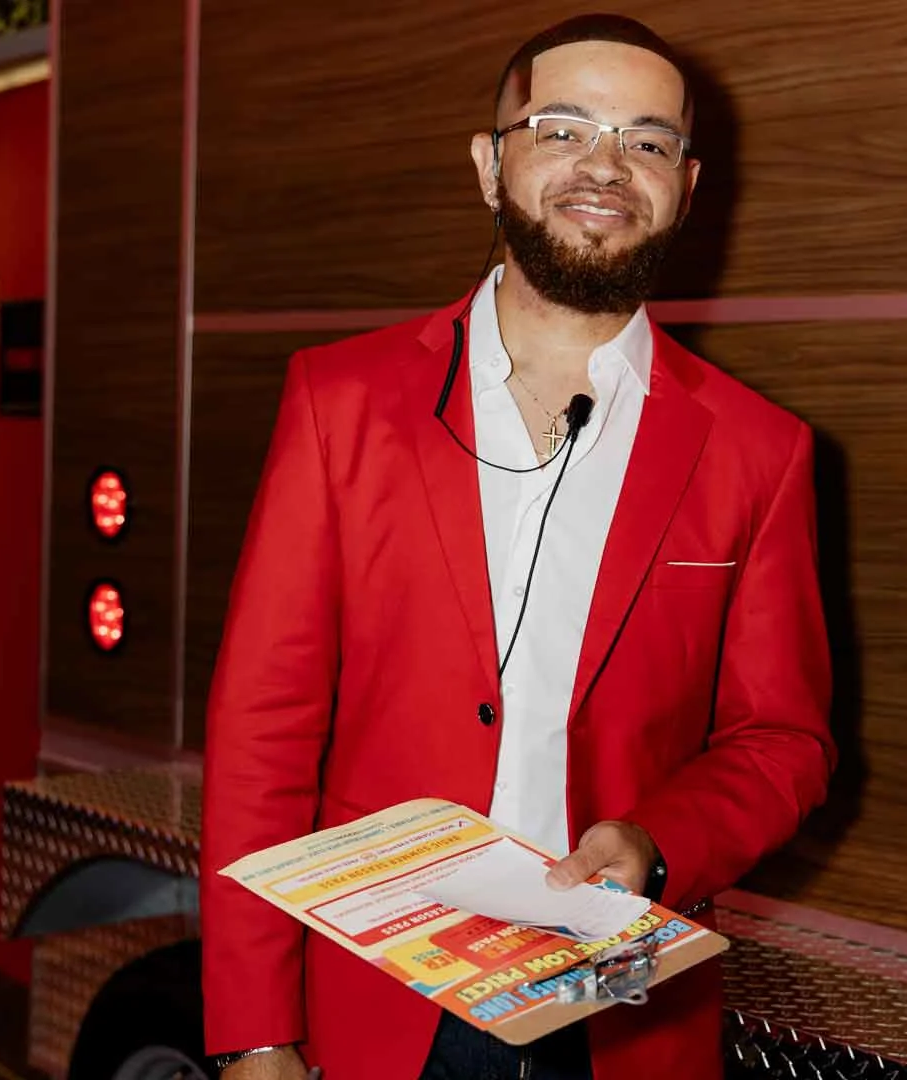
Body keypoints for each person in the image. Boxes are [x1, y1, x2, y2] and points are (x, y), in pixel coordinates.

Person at [202, 13, 836, 1080]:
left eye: (646, 140)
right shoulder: (339, 402)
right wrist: (256, 1034)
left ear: (687, 183)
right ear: (490, 166)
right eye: (563, 128)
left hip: (615, 1001)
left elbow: (784, 741)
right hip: (379, 987)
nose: (606, 165)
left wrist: (659, 842)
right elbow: (263, 734)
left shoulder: (761, 451)